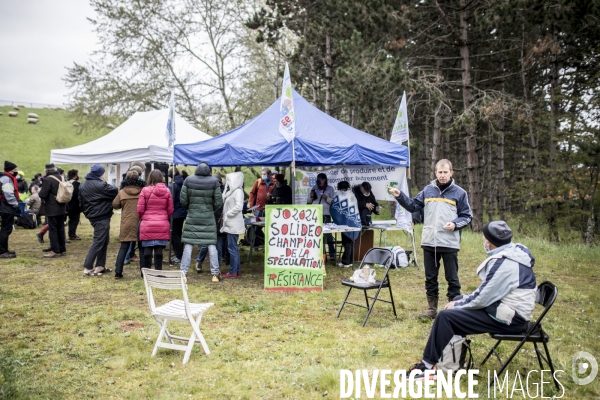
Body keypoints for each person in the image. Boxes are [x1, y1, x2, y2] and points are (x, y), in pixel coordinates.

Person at [408, 221, 536, 379]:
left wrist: (457, 304)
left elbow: (482, 298)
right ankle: (454, 358)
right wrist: (459, 301)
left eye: (483, 237)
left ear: (489, 242)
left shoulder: (504, 263)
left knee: (445, 316)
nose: (482, 239)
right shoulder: (515, 251)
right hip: (508, 310)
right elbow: (487, 294)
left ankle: (427, 366)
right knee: (457, 300)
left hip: (511, 319)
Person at [389, 159, 472, 320]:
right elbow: (413, 206)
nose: (442, 175)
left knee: (452, 279)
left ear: (451, 173)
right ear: (435, 173)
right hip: (429, 242)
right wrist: (400, 196)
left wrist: (454, 224)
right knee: (430, 278)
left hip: (449, 243)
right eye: (439, 172)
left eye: (445, 172)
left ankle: (454, 309)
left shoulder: (460, 193)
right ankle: (431, 309)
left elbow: (467, 216)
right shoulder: (428, 190)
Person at [179, 162, 223, 281]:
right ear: (209, 171)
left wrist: (191, 207)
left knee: (188, 245)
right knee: (211, 245)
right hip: (208, 217)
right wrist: (210, 208)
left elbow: (183, 199)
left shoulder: (188, 180)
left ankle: (183, 273)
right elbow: (219, 201)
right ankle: (215, 274)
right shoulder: (214, 181)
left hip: (192, 216)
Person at [79, 164, 118, 276]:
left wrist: (87, 212)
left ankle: (100, 266)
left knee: (104, 241)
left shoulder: (83, 185)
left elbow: (80, 202)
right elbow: (114, 190)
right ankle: (87, 267)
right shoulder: (101, 185)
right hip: (101, 216)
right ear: (101, 174)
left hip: (93, 216)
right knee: (98, 241)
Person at [138, 170, 174, 272]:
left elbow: (140, 209)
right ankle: (158, 271)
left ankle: (147, 272)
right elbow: (170, 209)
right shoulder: (167, 191)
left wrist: (143, 217)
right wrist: (163, 216)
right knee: (159, 251)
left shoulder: (145, 190)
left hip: (147, 223)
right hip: (162, 222)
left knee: (147, 251)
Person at [112, 170, 144, 278]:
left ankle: (118, 272)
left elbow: (115, 205)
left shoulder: (122, 192)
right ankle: (143, 273)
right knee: (142, 248)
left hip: (127, 222)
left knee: (124, 247)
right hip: (141, 222)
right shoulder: (143, 191)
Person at [195, 175, 226, 272]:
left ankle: (218, 267)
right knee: (205, 245)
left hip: (220, 223)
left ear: (220, 184)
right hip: (209, 223)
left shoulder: (224, 195)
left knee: (219, 247)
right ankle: (199, 261)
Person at [330, 181, 361, 267]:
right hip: (355, 221)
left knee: (347, 243)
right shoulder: (352, 195)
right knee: (352, 242)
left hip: (346, 223)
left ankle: (346, 262)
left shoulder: (339, 196)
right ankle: (351, 261)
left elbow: (334, 208)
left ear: (339, 187)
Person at [39, 163, 67, 258]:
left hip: (52, 207)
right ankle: (62, 249)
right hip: (62, 206)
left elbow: (43, 194)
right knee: (61, 229)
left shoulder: (48, 179)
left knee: (53, 230)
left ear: (47, 170)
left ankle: (55, 250)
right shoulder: (62, 177)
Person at [221, 172, 245, 279]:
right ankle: (237, 269)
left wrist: (228, 214)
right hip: (231, 223)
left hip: (233, 224)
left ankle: (233, 271)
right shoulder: (233, 191)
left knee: (232, 248)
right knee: (233, 248)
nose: (228, 182)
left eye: (230, 180)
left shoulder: (238, 191)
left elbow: (239, 206)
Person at [307, 172, 336, 261]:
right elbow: (308, 202)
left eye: (320, 179)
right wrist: (311, 196)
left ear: (324, 180)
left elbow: (333, 202)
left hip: (326, 214)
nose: (318, 181)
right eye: (317, 179)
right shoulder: (314, 188)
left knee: (328, 234)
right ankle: (320, 254)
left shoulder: (330, 189)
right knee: (316, 234)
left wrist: (327, 198)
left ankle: (332, 254)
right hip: (315, 213)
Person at [0, 161, 20, 258]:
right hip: (6, 207)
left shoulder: (5, 178)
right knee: (5, 229)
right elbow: (8, 194)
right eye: (15, 170)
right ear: (10, 170)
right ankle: (2, 251)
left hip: (4, 207)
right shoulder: (7, 179)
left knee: (6, 229)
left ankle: (4, 249)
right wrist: (16, 204)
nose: (17, 171)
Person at [168, 167, 187, 264]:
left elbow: (170, 201)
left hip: (175, 212)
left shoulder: (172, 185)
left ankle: (179, 255)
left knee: (175, 234)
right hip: (182, 212)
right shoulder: (184, 183)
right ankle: (178, 253)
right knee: (178, 234)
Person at [66, 169, 82, 240]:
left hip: (64, 205)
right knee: (74, 220)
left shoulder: (65, 183)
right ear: (75, 176)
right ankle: (72, 234)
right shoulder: (77, 185)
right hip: (74, 206)